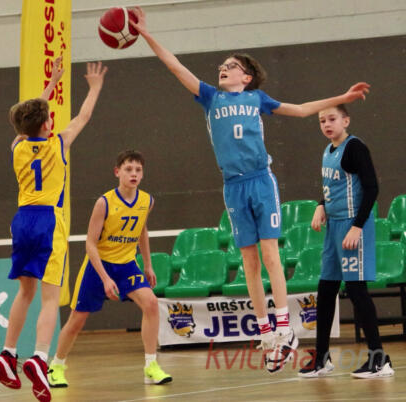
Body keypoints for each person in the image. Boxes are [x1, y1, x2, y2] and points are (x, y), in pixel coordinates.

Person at [129, 7, 371, 373]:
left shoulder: (258, 99)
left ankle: (285, 329)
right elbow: (176, 67)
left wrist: (342, 97)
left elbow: (302, 109)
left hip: (260, 180)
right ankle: (267, 333)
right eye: (221, 66)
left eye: (230, 66)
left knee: (271, 254)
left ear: (246, 76)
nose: (222, 69)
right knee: (249, 261)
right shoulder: (210, 97)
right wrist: (147, 35)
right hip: (233, 186)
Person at [0, 58, 108, 402]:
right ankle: (40, 358)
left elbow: (25, 121)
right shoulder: (60, 143)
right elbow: (83, 116)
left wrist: (50, 84)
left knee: (24, 293)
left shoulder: (17, 146)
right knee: (50, 298)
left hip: (21, 220)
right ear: (47, 124)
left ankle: (8, 352)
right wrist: (95, 88)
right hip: (49, 220)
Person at [47, 150, 172, 387]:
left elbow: (142, 232)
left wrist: (148, 265)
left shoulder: (147, 201)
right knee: (77, 320)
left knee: (151, 303)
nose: (134, 174)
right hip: (98, 266)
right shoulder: (104, 203)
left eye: (138, 170)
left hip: (127, 265)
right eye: (128, 169)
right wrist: (105, 278)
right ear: (117, 172)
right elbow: (90, 244)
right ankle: (56, 366)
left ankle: (151, 366)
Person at [298, 105, 394, 379]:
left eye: (332, 119)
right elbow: (334, 187)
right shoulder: (328, 151)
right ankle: (321, 359)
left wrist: (357, 226)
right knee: (326, 289)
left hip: (353, 225)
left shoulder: (355, 148)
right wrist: (321, 205)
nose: (327, 124)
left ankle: (380, 359)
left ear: (346, 120)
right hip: (334, 226)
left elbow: (372, 188)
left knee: (356, 290)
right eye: (322, 120)